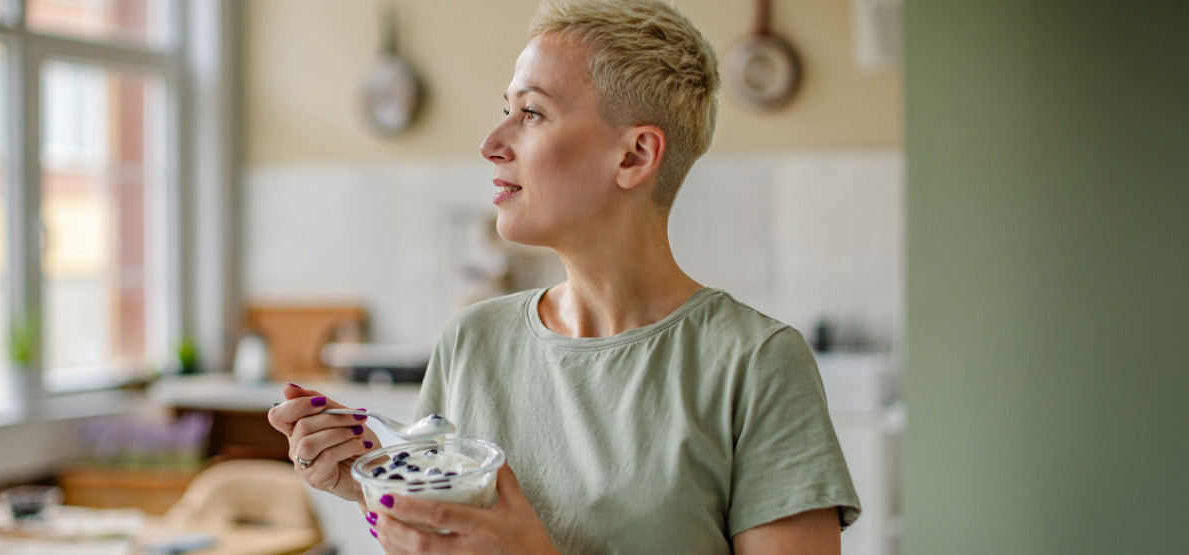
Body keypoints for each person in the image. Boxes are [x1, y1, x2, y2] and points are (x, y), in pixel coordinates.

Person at [267, 0, 861, 552]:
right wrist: (377, 483)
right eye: (507, 110)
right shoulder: (471, 342)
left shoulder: (756, 365)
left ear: (633, 156)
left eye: (531, 112)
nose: (490, 143)